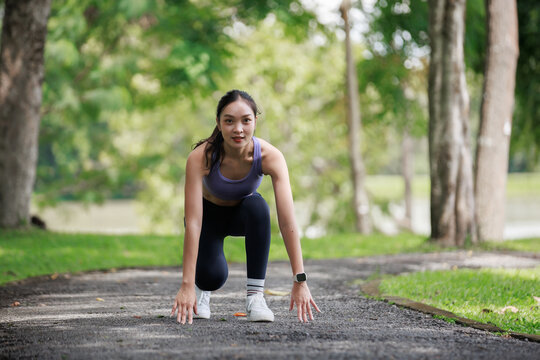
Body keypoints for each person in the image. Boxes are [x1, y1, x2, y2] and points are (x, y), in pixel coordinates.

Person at [170, 89, 320, 324]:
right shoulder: (201, 157)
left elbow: (287, 221)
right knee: (212, 277)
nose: (238, 129)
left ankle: (255, 298)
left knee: (258, 206)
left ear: (255, 121)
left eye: (245, 120)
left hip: (243, 214)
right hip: (208, 217)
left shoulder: (270, 156)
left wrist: (300, 281)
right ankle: (201, 292)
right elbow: (194, 221)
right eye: (229, 121)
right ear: (219, 124)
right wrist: (186, 286)